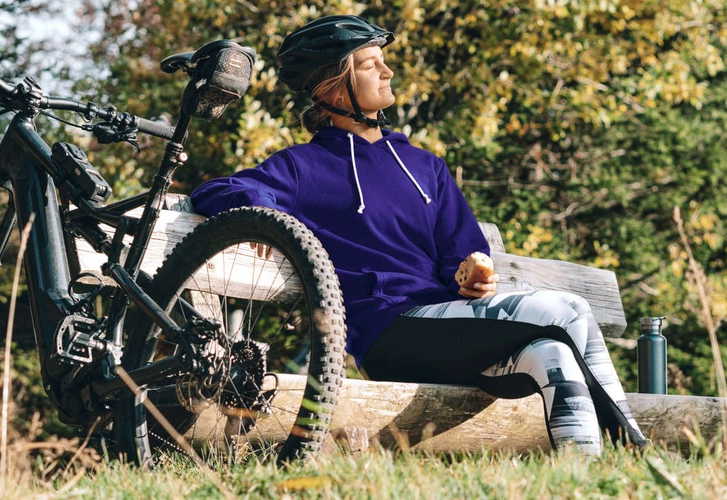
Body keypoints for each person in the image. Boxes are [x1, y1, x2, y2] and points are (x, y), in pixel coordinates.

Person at [190, 15, 646, 455]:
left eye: (383, 61)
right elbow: (216, 190)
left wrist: (470, 276)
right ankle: (634, 450)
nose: (387, 71)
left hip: (452, 332)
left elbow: (461, 251)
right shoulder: (304, 167)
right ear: (332, 87)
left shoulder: (426, 167)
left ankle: (589, 475)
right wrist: (264, 215)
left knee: (553, 354)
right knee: (569, 308)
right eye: (370, 64)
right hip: (387, 334)